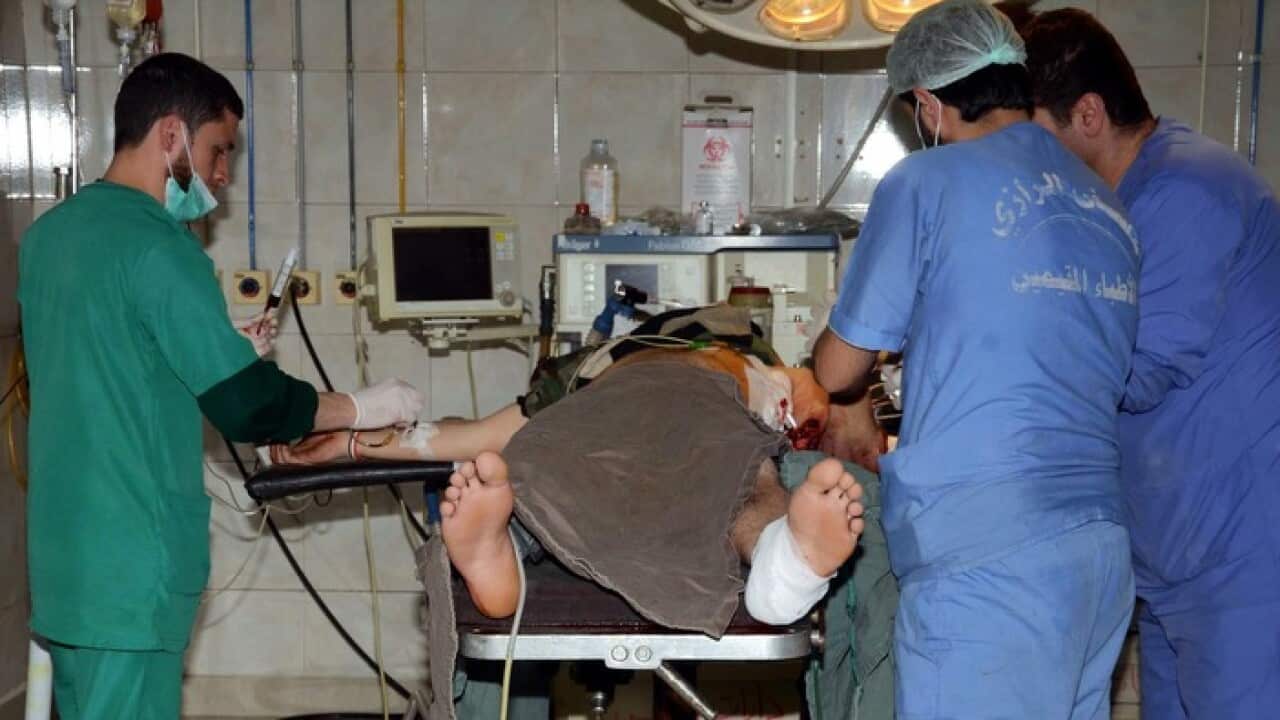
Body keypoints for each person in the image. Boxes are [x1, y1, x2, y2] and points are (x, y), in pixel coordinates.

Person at [17, 53, 425, 720]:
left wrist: (213, 343)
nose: (221, 175)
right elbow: (247, 405)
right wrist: (357, 407)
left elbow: (107, 356)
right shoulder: (162, 249)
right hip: (132, 568)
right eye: (217, 151)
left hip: (67, 565)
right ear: (172, 135)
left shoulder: (49, 238)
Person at [811, 1, 1140, 717]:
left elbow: (839, 371)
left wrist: (830, 345)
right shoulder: (1104, 204)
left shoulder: (927, 182)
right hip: (1099, 553)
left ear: (927, 106)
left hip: (990, 560)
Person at [1021, 10, 1280, 718]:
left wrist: (1004, 377)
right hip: (1174, 562)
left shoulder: (1187, 190)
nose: (1027, 165)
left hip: (1245, 563)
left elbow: (1137, 369)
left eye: (1036, 139)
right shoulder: (1116, 201)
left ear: (1089, 114)